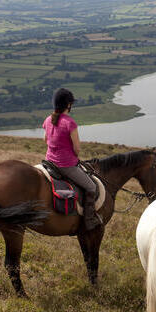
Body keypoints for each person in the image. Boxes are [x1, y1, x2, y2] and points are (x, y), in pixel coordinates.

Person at [43, 88, 101, 231]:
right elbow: (76, 149)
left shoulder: (48, 119)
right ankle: (89, 220)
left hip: (49, 161)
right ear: (68, 105)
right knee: (91, 187)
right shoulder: (70, 123)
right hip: (65, 165)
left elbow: (46, 140)